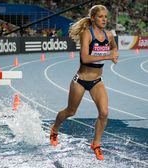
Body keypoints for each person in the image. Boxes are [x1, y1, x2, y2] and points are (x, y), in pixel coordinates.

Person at [50, 5, 119, 160]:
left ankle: (96, 143)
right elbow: (85, 58)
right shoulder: (87, 34)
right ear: (93, 18)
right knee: (70, 111)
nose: (104, 19)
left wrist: (114, 53)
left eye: (106, 17)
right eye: (101, 16)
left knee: (104, 113)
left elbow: (114, 46)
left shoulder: (109, 35)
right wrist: (108, 57)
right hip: (80, 81)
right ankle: (54, 128)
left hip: (96, 81)